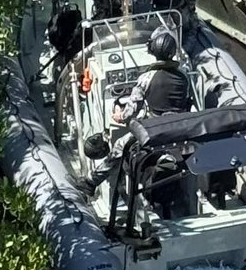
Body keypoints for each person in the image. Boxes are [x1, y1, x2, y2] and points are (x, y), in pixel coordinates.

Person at [75, 27, 192, 197]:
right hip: (180, 128)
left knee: (120, 147)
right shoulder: (184, 76)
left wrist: (118, 115)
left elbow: (130, 112)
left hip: (155, 129)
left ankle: (91, 183)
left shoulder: (146, 78)